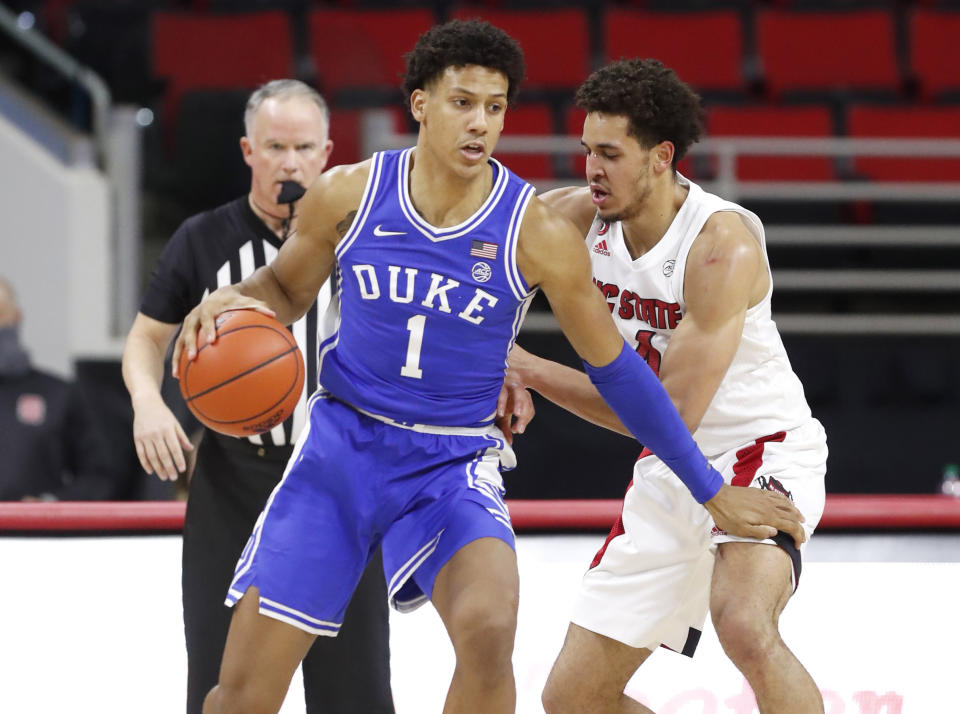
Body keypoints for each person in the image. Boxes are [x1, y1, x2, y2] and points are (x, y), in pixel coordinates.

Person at [173, 22, 804, 714]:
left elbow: (622, 371)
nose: (481, 123)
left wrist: (711, 488)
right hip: (343, 449)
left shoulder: (534, 230)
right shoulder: (346, 194)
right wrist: (233, 300)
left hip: (450, 462)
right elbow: (285, 289)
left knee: (489, 627)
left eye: (496, 107)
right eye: (463, 102)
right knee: (241, 693)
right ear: (419, 104)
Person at [503, 59, 828, 713]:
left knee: (744, 624)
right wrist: (491, 357)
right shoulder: (570, 217)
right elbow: (473, 280)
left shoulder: (720, 247)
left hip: (755, 452)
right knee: (574, 699)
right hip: (670, 469)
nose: (592, 168)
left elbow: (667, 414)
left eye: (611, 154)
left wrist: (529, 368)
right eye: (587, 150)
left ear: (661, 157)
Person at [121, 80, 394, 714]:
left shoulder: (366, 239)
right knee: (219, 686)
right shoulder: (202, 239)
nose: (290, 162)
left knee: (355, 691)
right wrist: (147, 402)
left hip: (338, 479)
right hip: (232, 481)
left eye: (303, 147)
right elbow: (144, 338)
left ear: (328, 151)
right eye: (275, 146)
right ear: (249, 150)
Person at [0, 276, 116, 501]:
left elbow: (99, 477)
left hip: (31, 534)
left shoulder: (58, 395)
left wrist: (49, 505)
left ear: (16, 318)